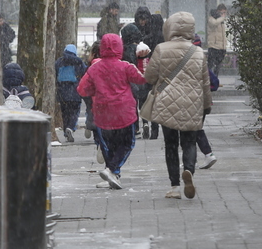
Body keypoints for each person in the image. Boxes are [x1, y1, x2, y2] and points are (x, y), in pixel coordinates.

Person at [143, 11, 212, 199]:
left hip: (167, 103)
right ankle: (188, 170)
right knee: (189, 142)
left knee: (171, 144)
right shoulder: (198, 52)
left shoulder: (161, 49)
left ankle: (174, 186)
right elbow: (205, 82)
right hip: (192, 102)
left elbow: (149, 77)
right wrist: (207, 105)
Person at [76, 32, 147, 190]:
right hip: (124, 112)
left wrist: (98, 90)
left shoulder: (94, 69)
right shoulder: (125, 66)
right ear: (119, 47)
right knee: (127, 143)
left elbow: (82, 89)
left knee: (109, 145)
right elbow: (142, 78)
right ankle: (112, 170)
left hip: (102, 114)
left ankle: (113, 175)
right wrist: (142, 60)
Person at [191, 34, 220, 169]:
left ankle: (205, 155)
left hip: (191, 102)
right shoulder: (203, 64)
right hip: (203, 103)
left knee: (192, 130)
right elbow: (215, 83)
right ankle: (197, 158)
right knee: (195, 129)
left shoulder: (188, 64)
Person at [54, 44, 87, 142]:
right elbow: (85, 73)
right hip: (75, 91)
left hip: (62, 92)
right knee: (74, 112)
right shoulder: (78, 62)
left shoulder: (59, 62)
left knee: (65, 113)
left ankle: (65, 130)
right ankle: (71, 127)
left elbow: (55, 74)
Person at [207, 3, 228, 74]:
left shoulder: (222, 21)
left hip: (221, 48)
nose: (223, 14)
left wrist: (225, 46)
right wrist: (222, 17)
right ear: (218, 11)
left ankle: (215, 81)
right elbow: (214, 23)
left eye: (224, 12)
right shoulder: (212, 18)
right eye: (222, 12)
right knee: (211, 66)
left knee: (217, 67)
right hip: (213, 46)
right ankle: (209, 82)